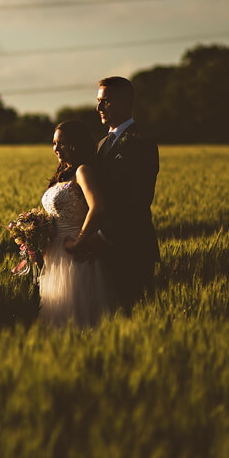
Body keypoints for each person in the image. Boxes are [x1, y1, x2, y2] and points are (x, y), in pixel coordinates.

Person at [68, 76, 159, 311]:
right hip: (100, 251)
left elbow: (137, 200)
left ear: (125, 103)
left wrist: (104, 236)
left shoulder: (142, 142)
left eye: (105, 101)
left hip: (131, 248)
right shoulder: (102, 143)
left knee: (131, 316)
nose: (98, 107)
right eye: (98, 101)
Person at [38, 120, 111, 326]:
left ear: (75, 144)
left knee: (78, 314)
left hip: (75, 253)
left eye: (62, 143)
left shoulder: (82, 171)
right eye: (54, 143)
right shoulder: (62, 174)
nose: (56, 148)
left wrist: (80, 242)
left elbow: (98, 208)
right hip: (55, 254)